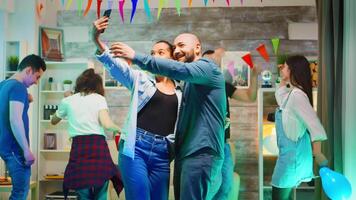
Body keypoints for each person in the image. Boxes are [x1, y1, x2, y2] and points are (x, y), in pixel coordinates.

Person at [105, 32, 227, 200]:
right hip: (183, 155)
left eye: (182, 45)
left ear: (198, 47)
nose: (177, 50)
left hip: (201, 154)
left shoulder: (207, 67)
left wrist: (135, 56)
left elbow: (179, 69)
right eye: (175, 47)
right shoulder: (187, 85)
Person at [92, 17, 182, 200]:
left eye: (161, 52)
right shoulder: (141, 79)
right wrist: (96, 39)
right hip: (136, 148)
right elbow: (116, 66)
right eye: (152, 52)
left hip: (162, 154)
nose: (155, 56)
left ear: (172, 58)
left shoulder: (182, 91)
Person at [51, 68, 121, 199]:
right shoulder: (99, 98)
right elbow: (107, 124)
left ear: (79, 84)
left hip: (79, 150)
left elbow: (53, 121)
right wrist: (119, 129)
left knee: (83, 194)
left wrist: (67, 100)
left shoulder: (68, 101)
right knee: (101, 193)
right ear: (98, 86)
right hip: (98, 149)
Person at [203, 48, 260, 200]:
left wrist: (254, 76)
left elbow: (250, 97)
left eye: (214, 63)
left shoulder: (223, 83)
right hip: (206, 146)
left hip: (224, 145)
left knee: (225, 187)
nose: (211, 66)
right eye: (207, 63)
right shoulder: (195, 84)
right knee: (207, 189)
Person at [272, 55, 328, 200]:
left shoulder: (297, 96)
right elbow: (280, 95)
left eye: (284, 66)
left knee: (278, 194)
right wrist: (282, 79)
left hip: (292, 160)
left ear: (291, 70)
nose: (281, 69)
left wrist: (318, 154)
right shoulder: (291, 94)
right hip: (288, 158)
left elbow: (315, 127)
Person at [0, 54, 46, 200]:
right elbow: (15, 120)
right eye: (37, 77)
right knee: (20, 193)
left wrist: (26, 101)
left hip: (6, 147)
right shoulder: (18, 87)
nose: (36, 82)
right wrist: (26, 150)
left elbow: (5, 112)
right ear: (28, 70)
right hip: (16, 150)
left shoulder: (3, 85)